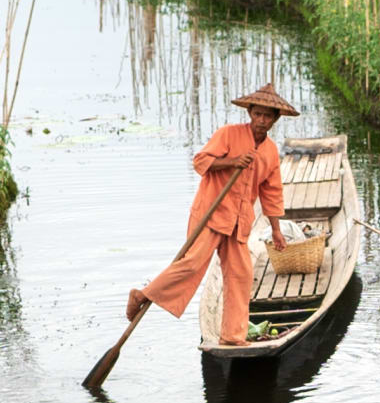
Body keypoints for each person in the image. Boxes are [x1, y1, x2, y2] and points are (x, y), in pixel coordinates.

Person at [118, 81, 297, 349]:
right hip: (211, 213)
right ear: (249, 113)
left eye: (267, 116)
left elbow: (271, 193)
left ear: (275, 119)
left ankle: (233, 336)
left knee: (241, 275)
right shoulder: (228, 134)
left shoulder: (270, 151)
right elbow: (200, 161)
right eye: (257, 114)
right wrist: (232, 162)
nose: (261, 120)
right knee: (192, 264)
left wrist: (276, 230)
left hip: (239, 221)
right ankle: (143, 294)